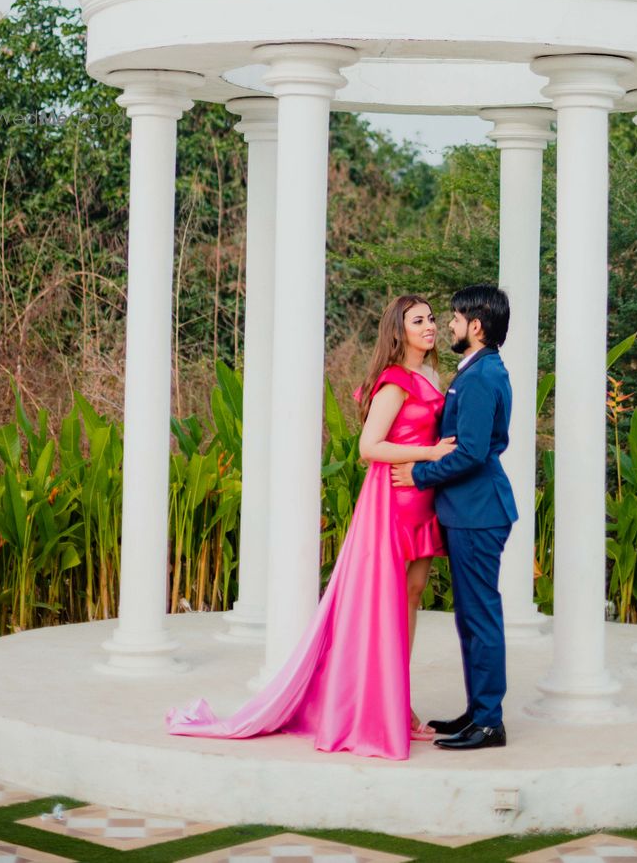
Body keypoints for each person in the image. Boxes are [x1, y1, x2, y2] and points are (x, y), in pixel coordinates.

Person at [166, 294, 455, 761]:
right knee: (383, 604)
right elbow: (368, 447)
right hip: (392, 499)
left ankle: (399, 701)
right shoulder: (395, 382)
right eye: (419, 320)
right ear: (398, 332)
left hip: (424, 497)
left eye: (432, 319)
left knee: (415, 593)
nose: (431, 326)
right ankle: (381, 706)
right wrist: (430, 455)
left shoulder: (433, 376)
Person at [391, 283, 517, 751]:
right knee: (470, 616)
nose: (448, 325)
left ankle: (490, 723)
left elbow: (472, 452)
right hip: (469, 510)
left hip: (478, 512)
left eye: (456, 319)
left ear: (476, 326)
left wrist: (420, 474)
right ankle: (477, 712)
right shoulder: (475, 371)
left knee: (480, 616)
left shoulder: (482, 376)